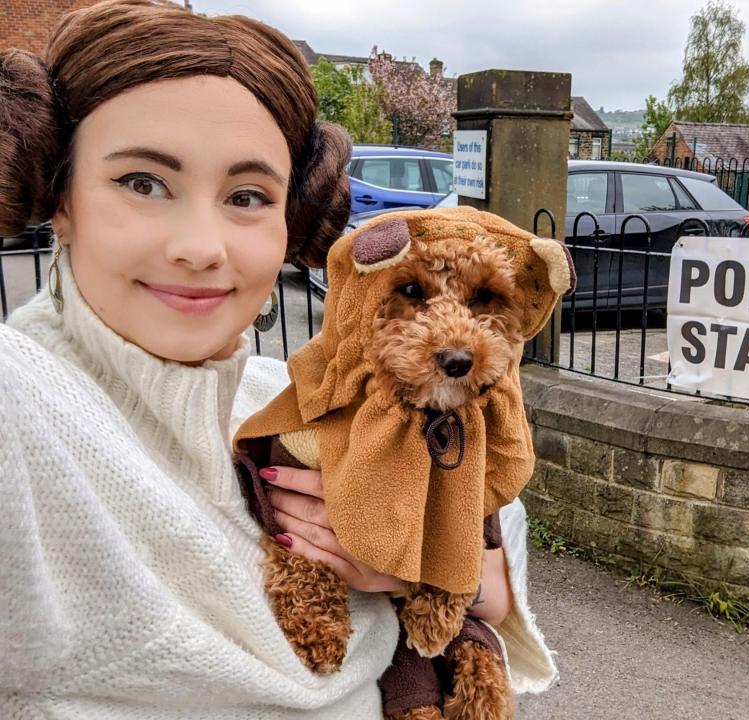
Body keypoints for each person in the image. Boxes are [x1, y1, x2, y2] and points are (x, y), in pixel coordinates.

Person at [0, 1, 556, 718]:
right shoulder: (24, 405)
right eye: (143, 182)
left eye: (246, 195)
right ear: (61, 196)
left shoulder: (288, 391)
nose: (201, 246)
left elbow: (493, 509)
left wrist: (458, 579)